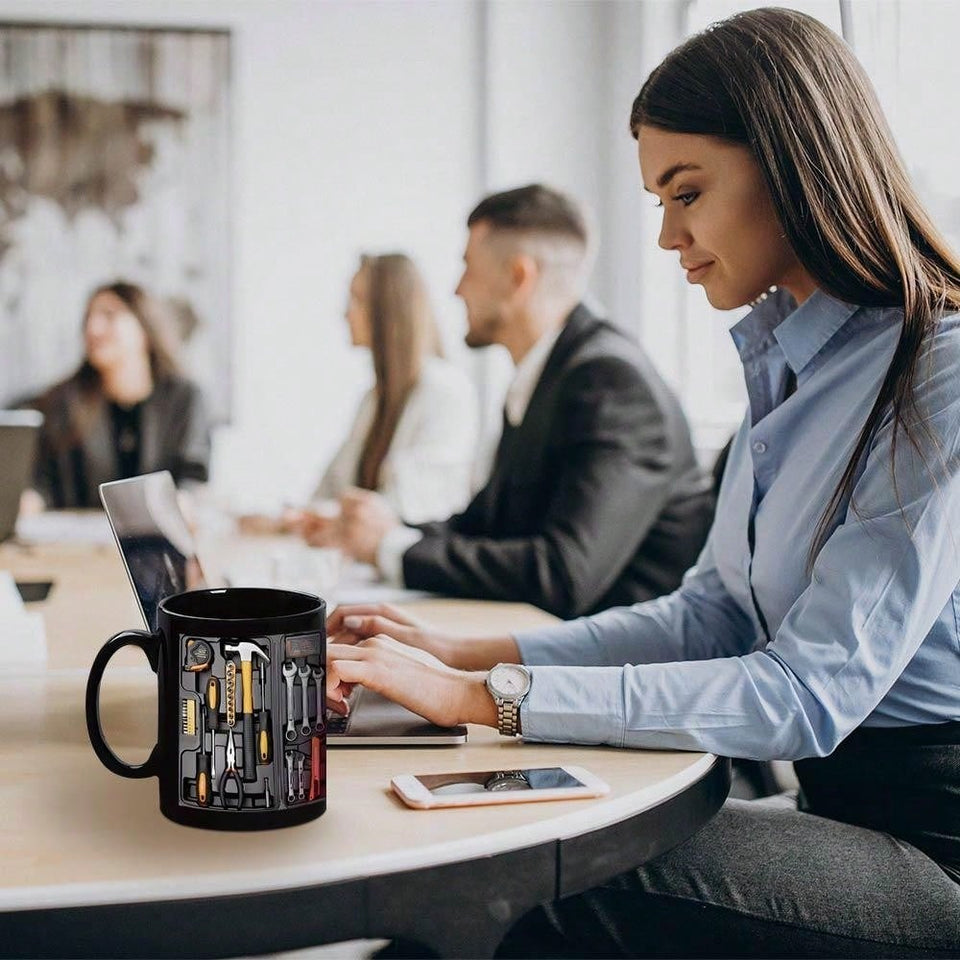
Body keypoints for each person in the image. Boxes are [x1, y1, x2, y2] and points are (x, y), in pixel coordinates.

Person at [324, 9, 960, 956]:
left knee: (529, 881)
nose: (668, 236)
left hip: (928, 844)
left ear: (791, 164)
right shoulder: (786, 371)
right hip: (836, 808)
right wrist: (459, 654)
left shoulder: (935, 377)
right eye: (659, 200)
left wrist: (483, 697)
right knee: (484, 867)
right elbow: (705, 614)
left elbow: (804, 697)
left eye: (687, 192)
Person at [327, 184, 714, 619]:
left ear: (518, 277)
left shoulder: (612, 384)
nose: (456, 290)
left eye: (467, 268)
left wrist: (390, 548)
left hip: (621, 665)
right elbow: (485, 526)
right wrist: (388, 529)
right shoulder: (548, 373)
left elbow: (564, 574)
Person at [246, 253, 478, 537]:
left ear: (389, 310)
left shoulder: (445, 392)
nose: (345, 314)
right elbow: (331, 488)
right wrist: (288, 518)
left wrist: (314, 517)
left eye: (357, 300)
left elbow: (410, 506)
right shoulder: (374, 399)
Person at [25, 281, 210, 509]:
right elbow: (43, 482)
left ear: (144, 327)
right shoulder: (61, 402)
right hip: (75, 539)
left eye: (109, 315)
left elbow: (193, 476)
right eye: (88, 318)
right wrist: (30, 500)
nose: (93, 328)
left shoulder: (184, 398)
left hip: (155, 536)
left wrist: (184, 501)